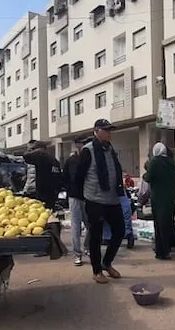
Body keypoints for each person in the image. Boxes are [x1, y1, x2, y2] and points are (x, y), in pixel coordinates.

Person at [74, 119, 126, 284]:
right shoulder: (88, 150)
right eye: (106, 130)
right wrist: (82, 198)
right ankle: (97, 270)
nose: (109, 133)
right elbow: (79, 176)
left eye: (110, 130)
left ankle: (107, 263)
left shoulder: (110, 148)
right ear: (96, 131)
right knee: (95, 236)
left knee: (120, 231)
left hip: (112, 198)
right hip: (95, 199)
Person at [144, 142, 175, 260]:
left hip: (158, 198)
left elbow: (148, 177)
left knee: (159, 224)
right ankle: (169, 247)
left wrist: (146, 172)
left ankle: (161, 251)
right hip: (170, 198)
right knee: (168, 222)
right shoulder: (171, 162)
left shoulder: (155, 162)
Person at [63, 136, 90, 266]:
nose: (84, 146)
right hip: (74, 197)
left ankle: (87, 247)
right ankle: (77, 254)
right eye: (81, 143)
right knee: (75, 226)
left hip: (88, 197)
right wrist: (70, 189)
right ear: (77, 145)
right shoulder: (71, 161)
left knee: (91, 225)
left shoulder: (90, 160)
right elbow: (65, 178)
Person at [23, 140, 62, 210]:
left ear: (39, 149)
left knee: (41, 214)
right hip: (53, 193)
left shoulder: (40, 155)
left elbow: (26, 156)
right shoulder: (54, 159)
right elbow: (59, 176)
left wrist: (29, 150)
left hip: (42, 192)